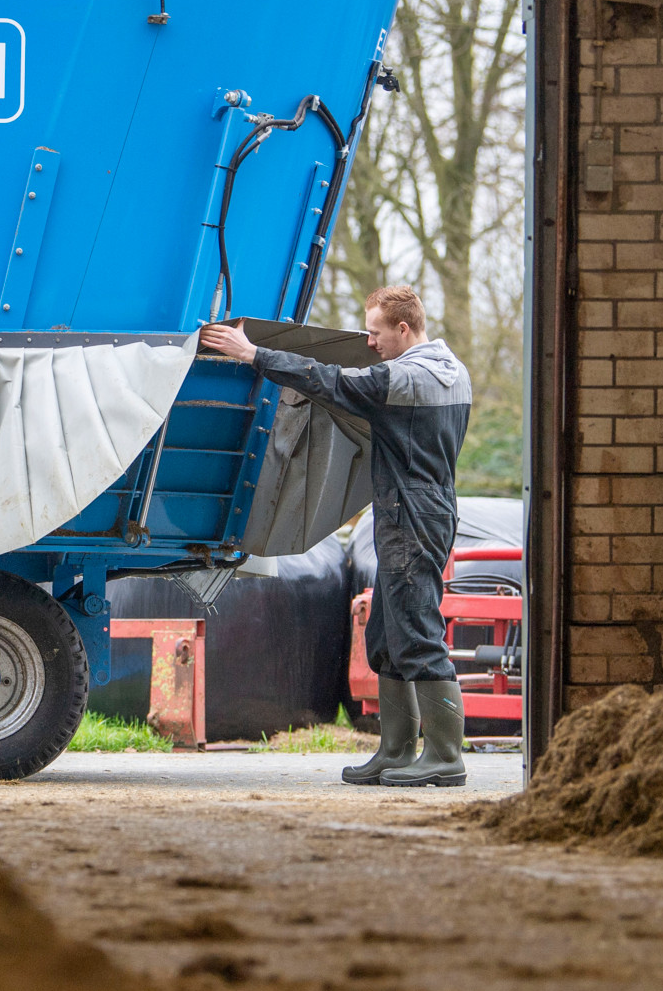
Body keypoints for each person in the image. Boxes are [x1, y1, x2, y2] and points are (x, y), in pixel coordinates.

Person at [198, 287, 474, 787]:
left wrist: (253, 353)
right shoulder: (451, 367)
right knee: (387, 637)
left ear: (403, 329)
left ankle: (445, 757)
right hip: (417, 509)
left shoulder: (408, 377)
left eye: (375, 332)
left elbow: (326, 381)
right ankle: (395, 751)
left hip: (411, 514)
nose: (370, 343)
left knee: (416, 634)